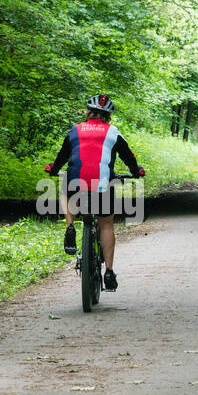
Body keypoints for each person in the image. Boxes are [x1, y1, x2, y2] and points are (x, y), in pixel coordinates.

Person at [45, 94, 144, 291]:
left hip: (75, 182)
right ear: (108, 116)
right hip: (103, 184)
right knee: (106, 225)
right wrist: (136, 171)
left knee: (65, 190)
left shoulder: (75, 130)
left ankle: (70, 225)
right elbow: (128, 156)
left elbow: (62, 156)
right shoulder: (113, 132)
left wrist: (54, 169)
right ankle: (108, 271)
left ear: (87, 113)